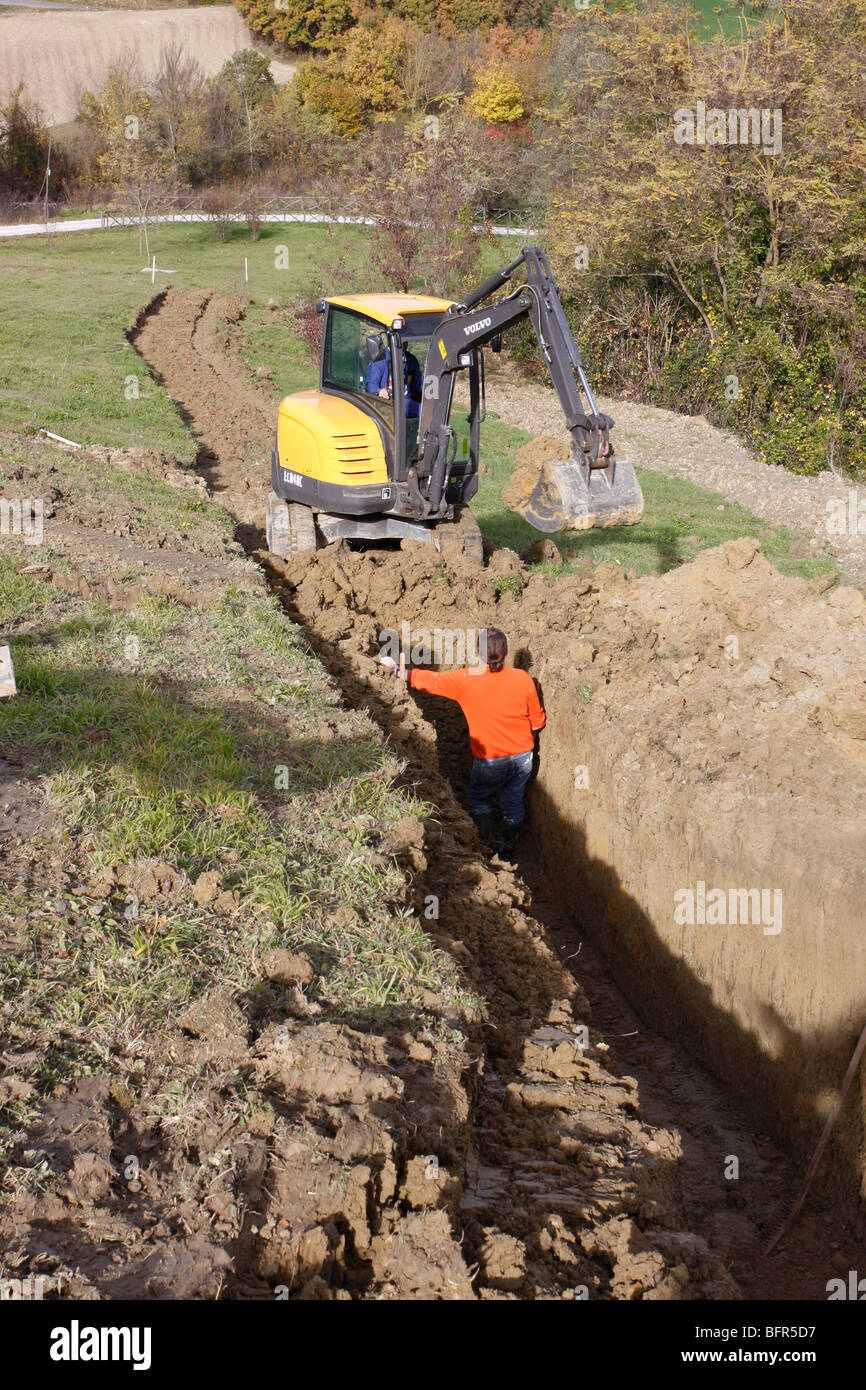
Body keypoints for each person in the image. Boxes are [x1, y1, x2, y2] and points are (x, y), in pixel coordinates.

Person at [387, 628, 545, 857]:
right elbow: (538, 722)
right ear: (506, 652)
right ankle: (509, 846)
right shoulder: (523, 679)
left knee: (479, 799)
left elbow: (433, 681)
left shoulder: (465, 680)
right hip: (522, 758)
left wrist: (402, 673)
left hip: (489, 761)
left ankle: (484, 845)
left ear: (477, 653)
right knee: (513, 800)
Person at [365, 344, 424, 418]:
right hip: (387, 402)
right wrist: (379, 390)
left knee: (426, 411)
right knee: (423, 412)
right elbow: (370, 384)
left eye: (405, 342)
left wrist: (429, 391)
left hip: (405, 400)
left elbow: (419, 383)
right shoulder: (380, 359)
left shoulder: (411, 359)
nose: (403, 345)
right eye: (401, 342)